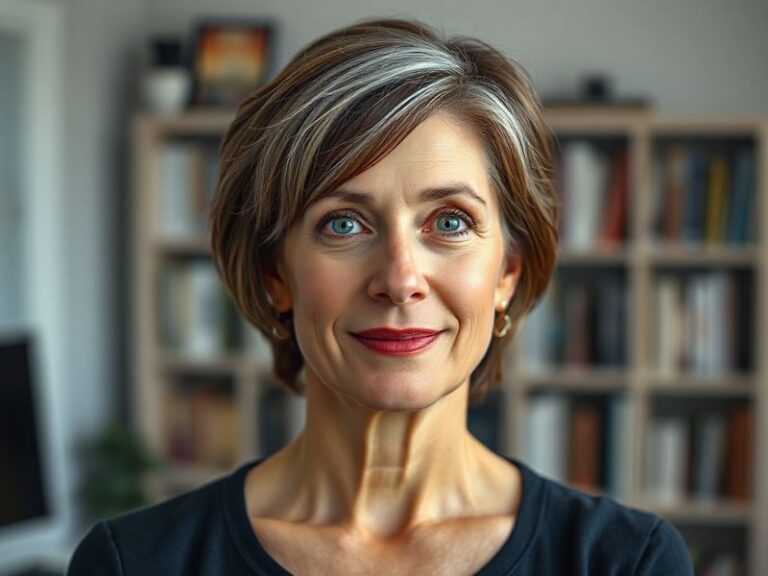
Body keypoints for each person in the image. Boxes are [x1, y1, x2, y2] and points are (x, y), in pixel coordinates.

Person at [68, 17, 694, 575]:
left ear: (507, 271)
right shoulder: (133, 562)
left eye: (449, 222)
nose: (400, 279)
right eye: (343, 223)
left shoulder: (626, 561)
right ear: (274, 274)